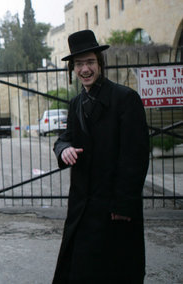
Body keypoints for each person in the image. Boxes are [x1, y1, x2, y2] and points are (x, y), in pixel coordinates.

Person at [52, 30, 149, 283]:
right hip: (83, 208)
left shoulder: (125, 99)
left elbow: (135, 157)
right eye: (79, 64)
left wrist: (123, 205)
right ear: (73, 68)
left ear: (100, 63)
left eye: (90, 62)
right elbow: (66, 137)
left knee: (114, 272)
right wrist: (64, 150)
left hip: (113, 208)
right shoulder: (76, 104)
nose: (85, 69)